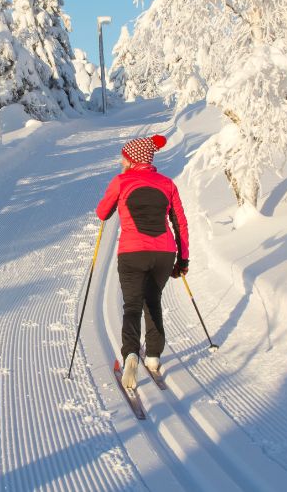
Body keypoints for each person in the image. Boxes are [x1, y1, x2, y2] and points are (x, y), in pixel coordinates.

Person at [95, 134, 189, 389]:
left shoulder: (121, 181)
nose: (121, 160)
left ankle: (131, 356)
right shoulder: (167, 184)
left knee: (133, 306)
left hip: (132, 252)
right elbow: (179, 222)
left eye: (124, 156)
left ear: (132, 159)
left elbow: (102, 212)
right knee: (153, 302)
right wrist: (183, 259)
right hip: (164, 254)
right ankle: (154, 357)